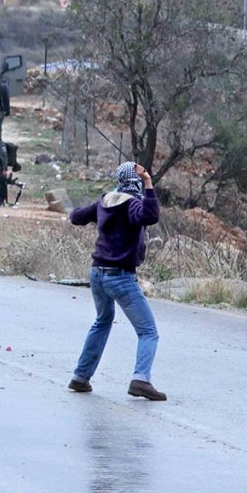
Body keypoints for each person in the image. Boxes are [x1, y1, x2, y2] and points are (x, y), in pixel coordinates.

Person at [67, 162, 166, 401]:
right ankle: (141, 380)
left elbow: (76, 217)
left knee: (102, 321)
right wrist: (149, 184)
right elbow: (150, 215)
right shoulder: (132, 204)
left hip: (97, 273)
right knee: (148, 331)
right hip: (120, 276)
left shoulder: (105, 201)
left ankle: (80, 377)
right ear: (135, 181)